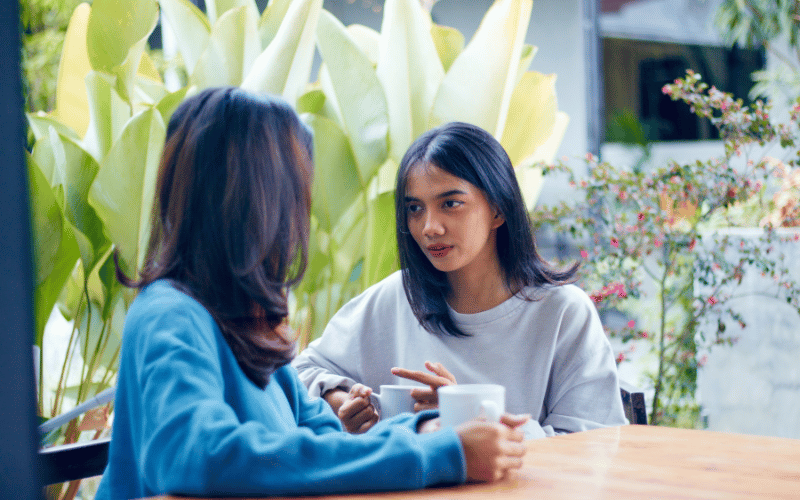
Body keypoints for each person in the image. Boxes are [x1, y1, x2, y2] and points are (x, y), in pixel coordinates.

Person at [95, 89, 529, 500]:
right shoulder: (170, 314)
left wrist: (428, 432)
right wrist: (442, 454)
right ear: (257, 200)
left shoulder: (249, 323)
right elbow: (196, 456)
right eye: (296, 187)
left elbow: (324, 438)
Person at [292, 121, 628, 438]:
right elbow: (299, 372)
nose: (429, 227)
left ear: (498, 208)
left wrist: (467, 416)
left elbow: (594, 444)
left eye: (450, 204)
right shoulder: (397, 297)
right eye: (415, 209)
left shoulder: (562, 313)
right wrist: (342, 401)